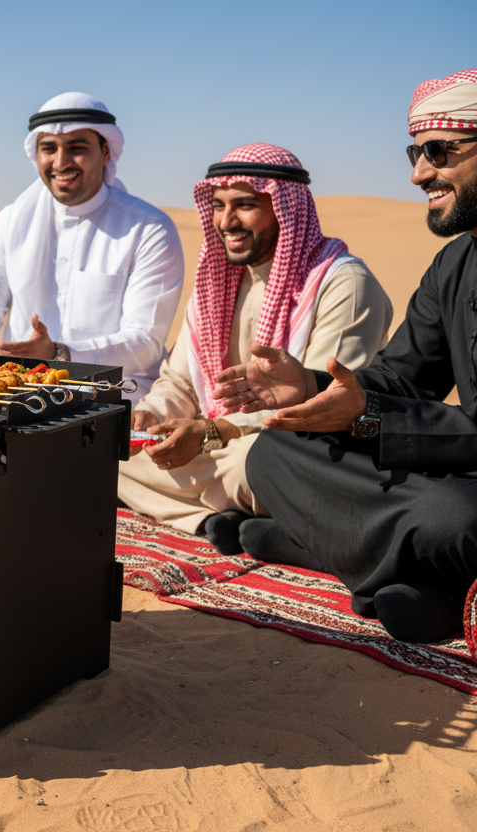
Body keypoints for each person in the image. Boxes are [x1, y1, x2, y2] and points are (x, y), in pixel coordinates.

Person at [214, 68, 477, 643]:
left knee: (454, 518)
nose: (418, 173)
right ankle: (415, 577)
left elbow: (396, 412)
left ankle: (321, 550)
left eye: (439, 151)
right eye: (416, 151)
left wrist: (370, 417)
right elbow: (403, 378)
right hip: (455, 463)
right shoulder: (456, 263)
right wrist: (312, 388)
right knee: (275, 450)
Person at [118, 145, 392, 552]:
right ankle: (215, 520)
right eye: (218, 206)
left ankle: (217, 509)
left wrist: (212, 433)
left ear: (284, 209)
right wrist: (153, 416)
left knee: (258, 465)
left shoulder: (344, 284)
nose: (226, 222)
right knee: (110, 458)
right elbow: (180, 381)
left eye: (245, 205)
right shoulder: (219, 281)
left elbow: (317, 404)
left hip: (299, 444)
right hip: (218, 444)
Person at [0, 92, 185, 404]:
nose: (60, 162)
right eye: (48, 148)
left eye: (77, 148)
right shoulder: (12, 221)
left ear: (105, 152)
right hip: (19, 391)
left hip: (113, 396)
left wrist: (59, 355)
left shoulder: (149, 229)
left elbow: (145, 343)